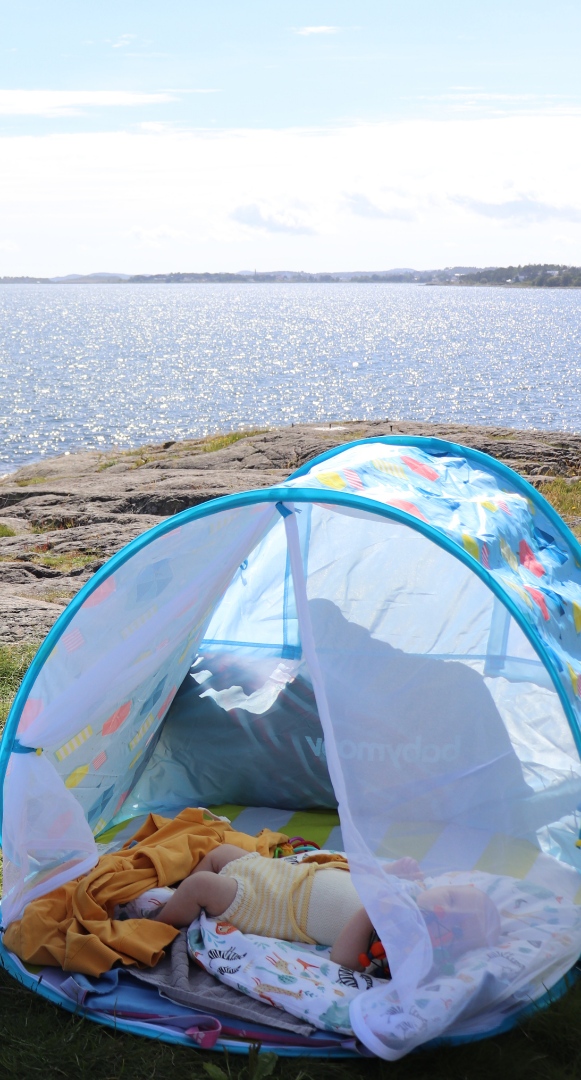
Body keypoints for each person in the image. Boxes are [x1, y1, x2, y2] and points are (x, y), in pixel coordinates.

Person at [118, 845, 501, 973]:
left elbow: (344, 958)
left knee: (205, 886)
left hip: (274, 907)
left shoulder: (400, 939)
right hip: (285, 876)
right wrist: (390, 872)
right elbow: (359, 877)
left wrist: (374, 912)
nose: (441, 912)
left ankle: (160, 922)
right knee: (218, 855)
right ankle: (177, 898)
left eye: (454, 927)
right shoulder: (408, 891)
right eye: (450, 900)